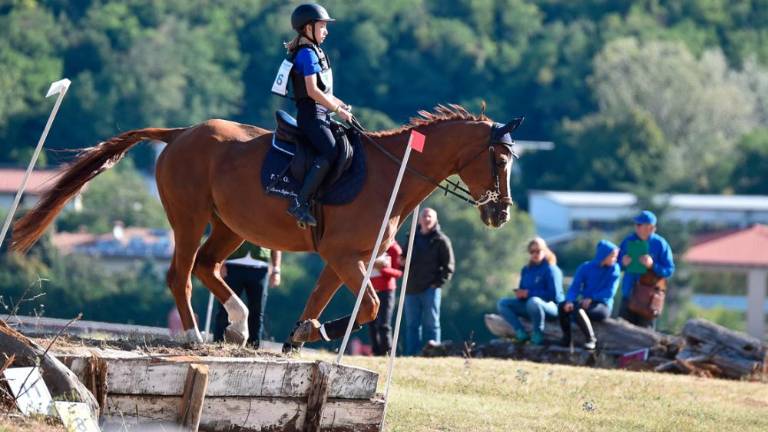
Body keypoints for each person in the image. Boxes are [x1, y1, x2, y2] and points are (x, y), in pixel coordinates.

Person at [282, 3, 353, 226]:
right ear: (308, 28)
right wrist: (337, 110)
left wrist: (342, 105)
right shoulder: (306, 55)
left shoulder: (316, 53)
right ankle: (300, 203)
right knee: (331, 152)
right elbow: (312, 91)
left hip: (323, 116)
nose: (326, 31)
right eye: (322, 26)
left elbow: (325, 92)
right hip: (312, 117)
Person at [404, 208, 454, 356]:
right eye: (424, 216)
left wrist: (437, 283)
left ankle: (435, 353)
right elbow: (404, 257)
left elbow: (449, 266)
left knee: (431, 324)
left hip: (430, 289)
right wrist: (402, 261)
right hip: (411, 287)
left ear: (435, 220)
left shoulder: (442, 240)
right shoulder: (411, 237)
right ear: (419, 220)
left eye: (429, 216)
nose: (426, 219)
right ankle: (411, 354)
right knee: (412, 325)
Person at [497, 237, 564, 345]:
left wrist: (529, 294)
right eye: (532, 251)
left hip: (551, 307)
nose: (535, 254)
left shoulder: (551, 269)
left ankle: (538, 334)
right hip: (529, 305)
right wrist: (521, 294)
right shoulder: (526, 270)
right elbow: (523, 289)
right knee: (502, 303)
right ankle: (520, 333)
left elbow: (555, 296)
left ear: (545, 251)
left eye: (538, 251)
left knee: (534, 301)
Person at [213, 243, 281, 348]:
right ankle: (218, 344)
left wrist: (276, 269)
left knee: (257, 312)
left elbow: (276, 240)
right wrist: (220, 262)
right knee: (225, 309)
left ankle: (252, 348)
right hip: (232, 265)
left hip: (260, 268)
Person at [558, 240, 620, 350]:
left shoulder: (614, 269)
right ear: (603, 255)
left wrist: (592, 298)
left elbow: (609, 292)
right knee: (562, 306)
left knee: (578, 310)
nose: (615, 259)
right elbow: (575, 287)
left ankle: (591, 340)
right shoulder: (585, 267)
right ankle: (566, 339)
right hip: (585, 302)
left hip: (602, 305)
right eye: (613, 256)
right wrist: (569, 300)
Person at [617, 210, 675, 328]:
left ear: (651, 227)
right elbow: (615, 265)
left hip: (649, 299)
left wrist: (652, 265)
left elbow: (669, 270)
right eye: (636, 224)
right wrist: (622, 263)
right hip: (629, 294)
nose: (636, 227)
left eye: (639, 224)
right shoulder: (628, 241)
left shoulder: (660, 244)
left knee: (645, 336)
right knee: (622, 330)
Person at [368, 240, 404, 356]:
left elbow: (399, 272)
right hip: (371, 289)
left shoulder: (394, 249)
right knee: (371, 322)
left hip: (386, 290)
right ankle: (376, 351)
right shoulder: (371, 245)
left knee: (384, 323)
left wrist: (382, 269)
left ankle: (387, 352)